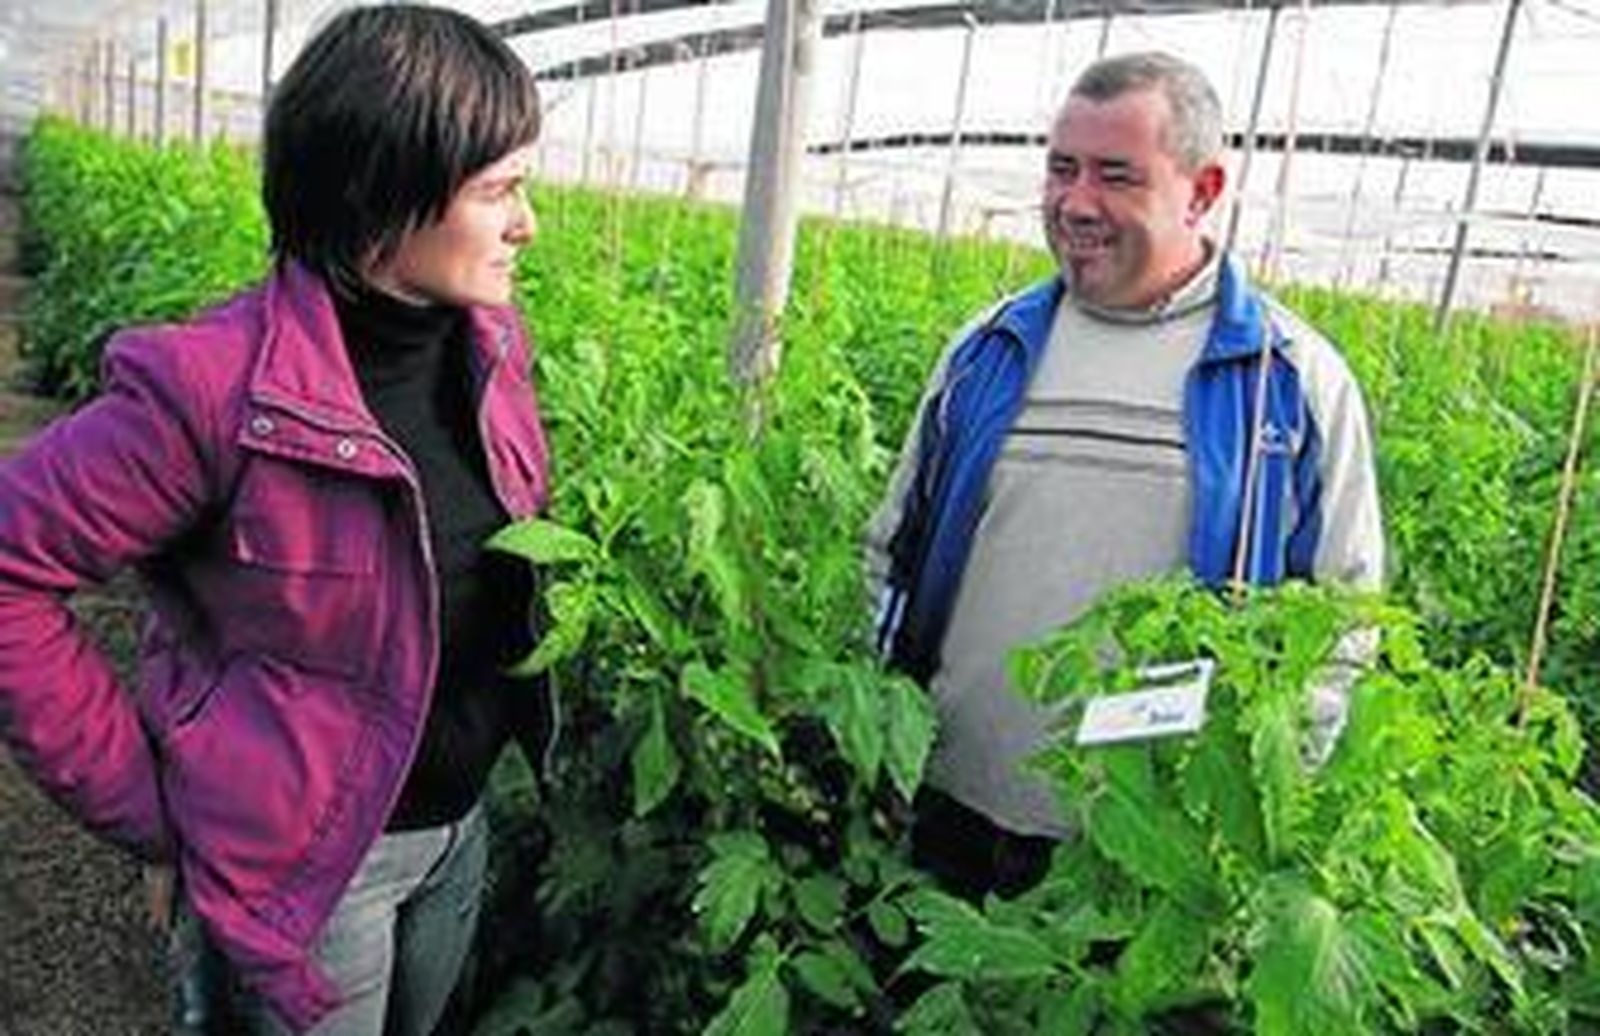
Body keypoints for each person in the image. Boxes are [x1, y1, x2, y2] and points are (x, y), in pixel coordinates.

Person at [0, 6, 554, 1033]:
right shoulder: (211, 390)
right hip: (308, 881)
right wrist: (156, 809)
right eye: (501, 191)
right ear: (383, 194)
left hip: (457, 835)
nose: (528, 224)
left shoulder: (490, 349)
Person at [866, 51, 1383, 901]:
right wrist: (882, 736)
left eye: (1115, 176)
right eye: (1061, 169)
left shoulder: (1285, 382)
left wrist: (1250, 816)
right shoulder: (987, 352)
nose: (1076, 203)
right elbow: (893, 550)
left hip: (1146, 857)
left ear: (1204, 189)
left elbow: (1340, 623)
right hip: (946, 807)